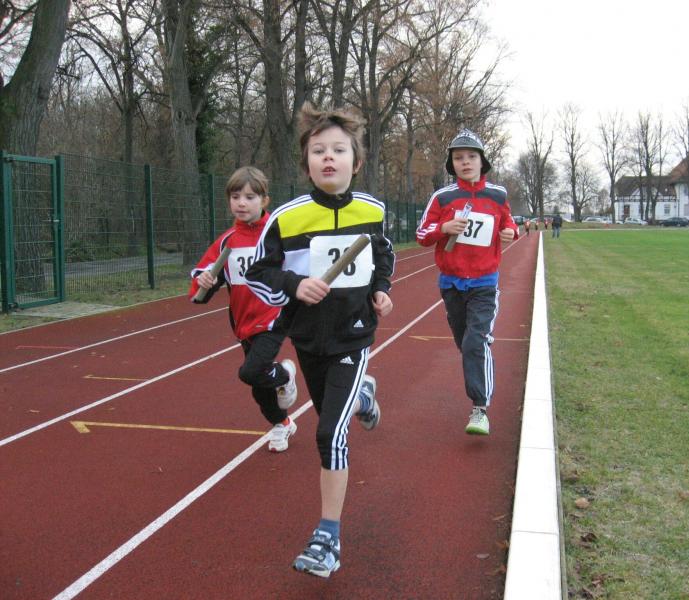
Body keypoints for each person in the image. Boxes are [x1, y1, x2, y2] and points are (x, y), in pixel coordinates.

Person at [245, 103, 394, 578]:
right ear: (306, 162)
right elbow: (259, 273)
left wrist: (381, 289)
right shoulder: (287, 218)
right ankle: (363, 397)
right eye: (318, 150)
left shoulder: (372, 210)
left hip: (354, 336)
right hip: (309, 339)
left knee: (330, 433)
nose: (328, 157)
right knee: (335, 411)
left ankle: (328, 537)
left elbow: (382, 254)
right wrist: (295, 285)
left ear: (357, 160)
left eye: (339, 150)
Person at [415, 129, 518, 436]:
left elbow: (508, 223)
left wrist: (510, 232)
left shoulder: (497, 195)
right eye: (459, 158)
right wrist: (444, 227)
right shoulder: (443, 197)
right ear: (452, 164)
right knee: (465, 343)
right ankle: (480, 355)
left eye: (472, 156)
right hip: (452, 284)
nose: (466, 162)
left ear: (482, 161)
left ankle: (480, 408)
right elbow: (422, 234)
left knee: (475, 342)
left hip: (484, 282)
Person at [189, 166, 299, 453]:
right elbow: (204, 276)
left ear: (264, 200)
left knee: (251, 372)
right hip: (243, 321)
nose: (241, 203)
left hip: (274, 316)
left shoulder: (278, 234)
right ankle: (282, 423)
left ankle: (284, 375)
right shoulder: (227, 241)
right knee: (258, 387)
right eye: (235, 197)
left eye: (250, 197)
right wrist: (204, 281)